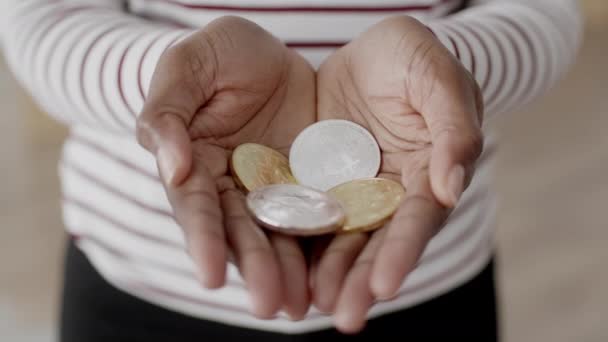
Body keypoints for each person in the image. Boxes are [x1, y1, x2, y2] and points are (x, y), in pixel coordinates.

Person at [1, 0, 582, 341]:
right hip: (136, 280)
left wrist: (448, 71)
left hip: (426, 279)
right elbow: (42, 19)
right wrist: (173, 82)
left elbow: (546, 13)